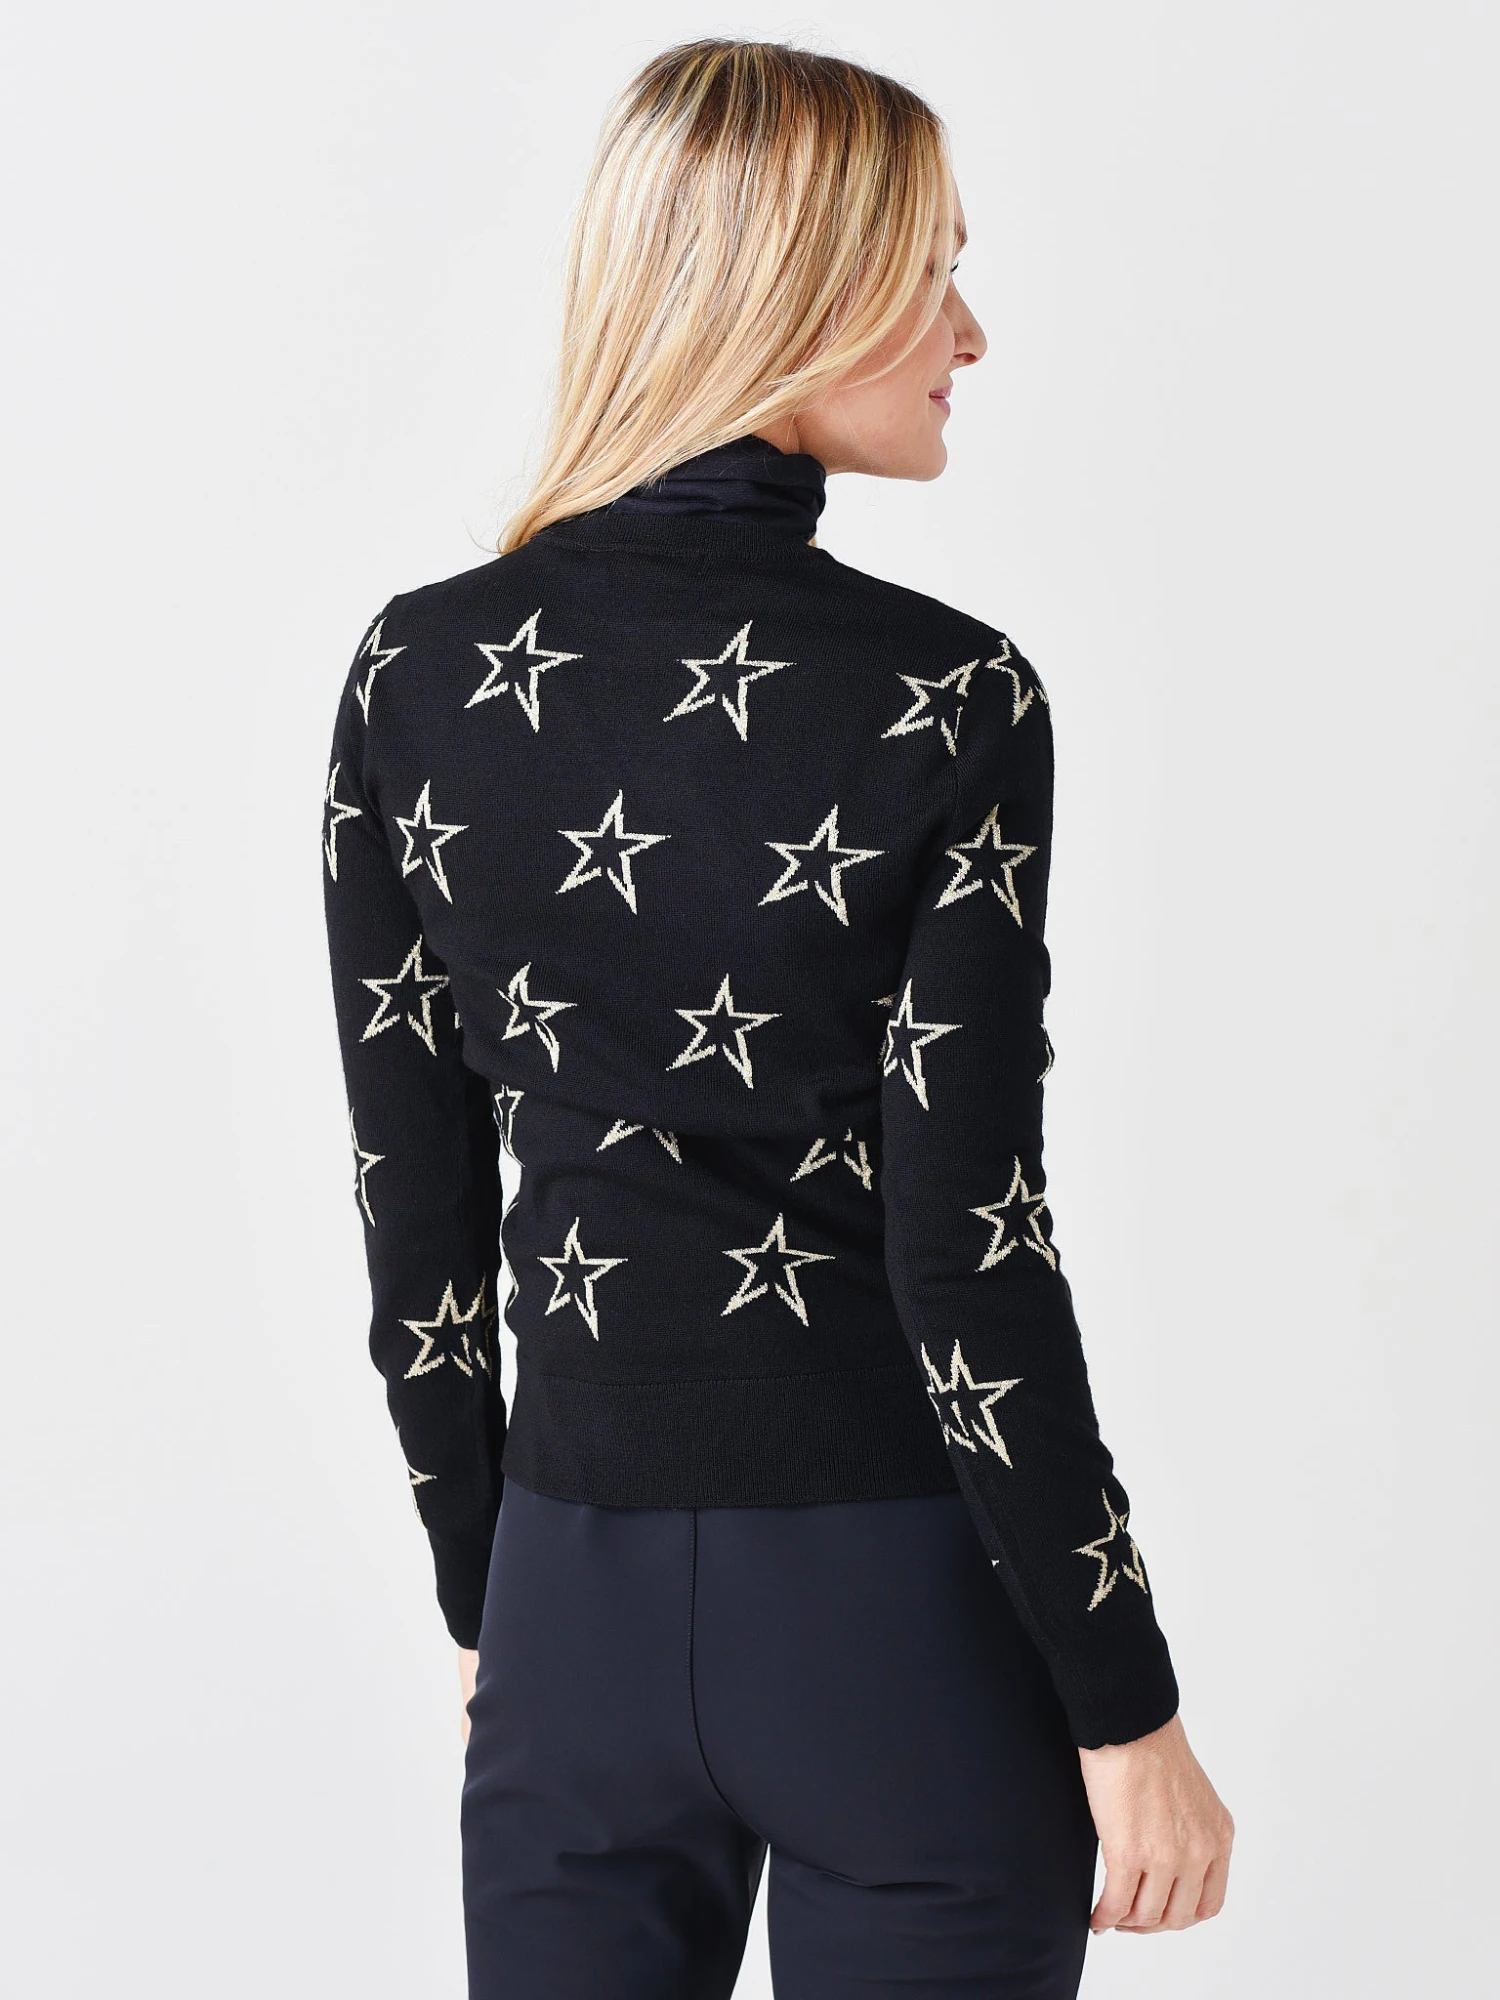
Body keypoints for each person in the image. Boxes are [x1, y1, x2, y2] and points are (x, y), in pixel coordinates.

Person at [320, 35, 1233, 2000]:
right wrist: (1126, 1700)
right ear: (795, 287)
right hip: (894, 1614)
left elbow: (417, 1217)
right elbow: (969, 1243)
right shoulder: (949, 699)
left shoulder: (416, 672)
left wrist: (490, 1595)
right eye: (934, 270)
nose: (970, 333)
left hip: (564, 1602)